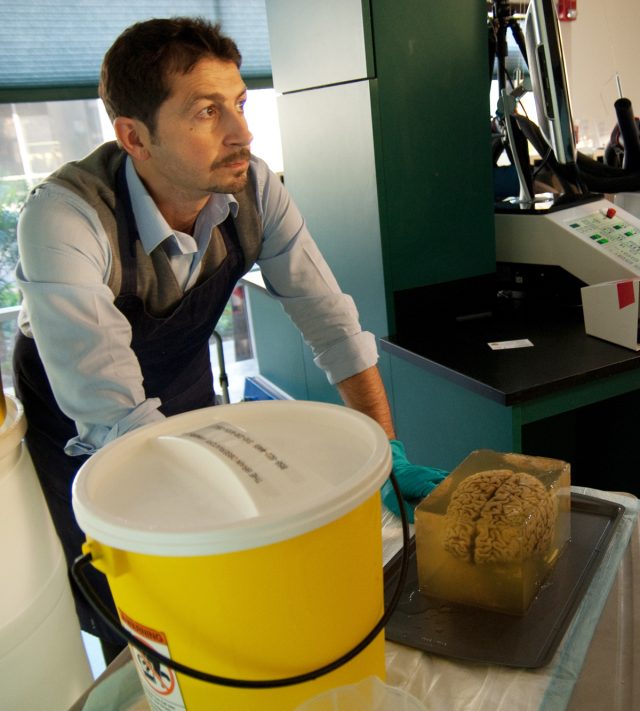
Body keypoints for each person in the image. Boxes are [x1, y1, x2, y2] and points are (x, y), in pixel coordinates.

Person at [13, 17, 447, 663]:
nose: (242, 132)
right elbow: (116, 421)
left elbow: (331, 321)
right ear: (135, 136)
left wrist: (383, 449)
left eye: (240, 103)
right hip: (80, 424)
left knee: (231, 602)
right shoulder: (66, 219)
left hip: (181, 386)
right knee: (140, 614)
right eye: (207, 112)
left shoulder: (254, 189)